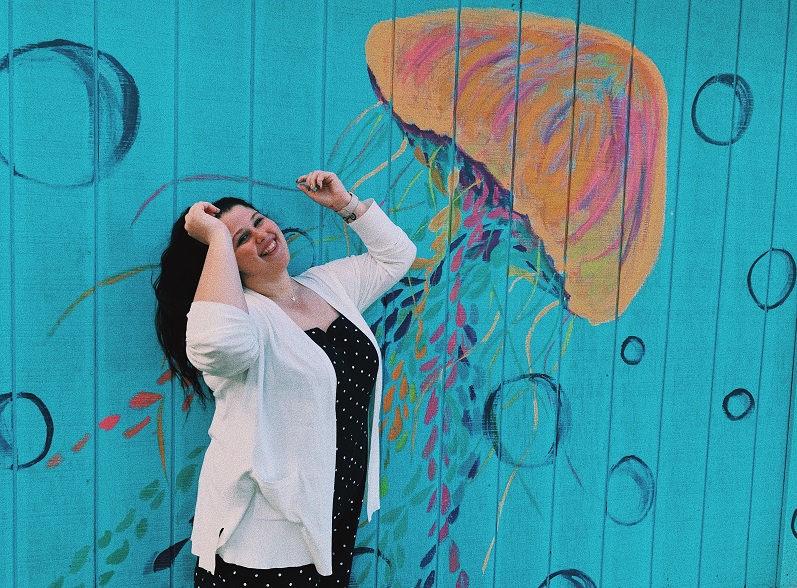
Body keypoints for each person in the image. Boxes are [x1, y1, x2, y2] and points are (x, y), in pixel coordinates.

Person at [153, 170, 416, 588]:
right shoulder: (242, 320)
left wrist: (346, 205)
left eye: (258, 221)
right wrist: (216, 238)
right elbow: (216, 345)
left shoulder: (326, 286)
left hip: (333, 513)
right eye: (241, 239)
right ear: (221, 262)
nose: (261, 235)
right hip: (262, 539)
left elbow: (396, 255)